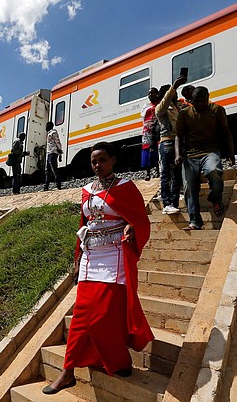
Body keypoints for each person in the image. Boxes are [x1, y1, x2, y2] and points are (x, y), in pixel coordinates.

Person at [42, 141, 154, 395]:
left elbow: (139, 219)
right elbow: (85, 223)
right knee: (81, 318)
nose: (97, 165)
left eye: (102, 160)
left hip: (115, 259)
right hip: (91, 258)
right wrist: (77, 257)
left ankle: (118, 361)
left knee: (106, 317)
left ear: (113, 160)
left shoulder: (126, 188)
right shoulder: (86, 190)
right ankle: (68, 370)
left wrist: (131, 228)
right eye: (93, 161)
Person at [175, 87, 235, 230]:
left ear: (208, 97)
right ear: (191, 101)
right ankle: (195, 221)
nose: (201, 103)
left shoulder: (217, 110)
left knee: (214, 171)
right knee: (189, 187)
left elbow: (226, 132)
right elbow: (178, 136)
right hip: (190, 155)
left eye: (204, 100)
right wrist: (177, 154)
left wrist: (231, 152)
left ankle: (215, 197)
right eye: (197, 101)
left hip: (210, 151)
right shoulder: (184, 114)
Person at [155, 76, 186, 215]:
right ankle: (166, 203)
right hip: (167, 142)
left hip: (179, 142)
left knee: (177, 175)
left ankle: (173, 203)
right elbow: (165, 102)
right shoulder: (161, 109)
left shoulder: (178, 107)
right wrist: (173, 87)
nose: (176, 95)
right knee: (166, 174)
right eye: (172, 93)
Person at [140, 88, 160, 180]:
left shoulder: (161, 104)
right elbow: (143, 118)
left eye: (152, 93)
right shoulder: (146, 106)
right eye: (149, 94)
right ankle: (147, 173)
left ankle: (158, 170)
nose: (150, 95)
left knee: (157, 149)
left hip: (157, 130)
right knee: (146, 150)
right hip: (147, 131)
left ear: (157, 94)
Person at [43, 121, 63, 191]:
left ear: (49, 126)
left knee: (54, 169)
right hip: (49, 153)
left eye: (46, 126)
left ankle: (58, 186)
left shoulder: (53, 133)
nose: (45, 127)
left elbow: (57, 142)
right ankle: (46, 187)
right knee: (48, 171)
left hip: (53, 153)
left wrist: (60, 153)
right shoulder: (49, 133)